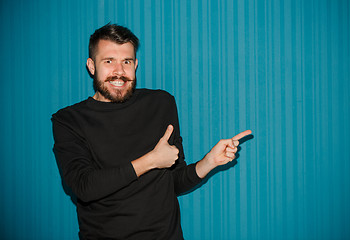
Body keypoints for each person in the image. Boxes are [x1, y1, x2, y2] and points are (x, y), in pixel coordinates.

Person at [52, 23, 251, 240]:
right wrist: (150, 161)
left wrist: (209, 162)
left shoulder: (161, 103)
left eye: (126, 62)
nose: (119, 71)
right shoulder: (68, 120)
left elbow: (173, 182)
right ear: (92, 66)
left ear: (135, 64)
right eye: (109, 61)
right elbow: (84, 187)